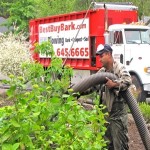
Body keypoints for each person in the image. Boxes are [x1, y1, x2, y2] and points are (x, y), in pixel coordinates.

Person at [95, 44, 132, 150]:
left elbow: (127, 80)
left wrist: (114, 84)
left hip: (117, 117)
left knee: (120, 146)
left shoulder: (119, 68)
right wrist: (77, 92)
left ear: (109, 54)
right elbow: (92, 85)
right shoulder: (102, 72)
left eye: (101, 56)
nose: (100, 59)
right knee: (106, 146)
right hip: (106, 116)